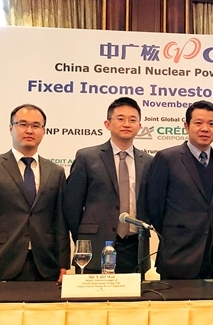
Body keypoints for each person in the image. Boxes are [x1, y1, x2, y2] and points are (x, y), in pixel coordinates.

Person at [0, 104, 70, 282]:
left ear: (43, 131)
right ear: (11, 128)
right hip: (0, 262)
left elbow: (60, 221)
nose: (29, 130)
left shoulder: (56, 171)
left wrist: (63, 263)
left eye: (36, 125)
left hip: (46, 265)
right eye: (22, 124)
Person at [63, 97, 153, 273]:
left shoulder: (149, 162)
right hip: (95, 247)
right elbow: (71, 206)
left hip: (135, 249)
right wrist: (84, 237)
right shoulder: (87, 157)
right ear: (107, 124)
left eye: (132, 120)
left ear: (139, 126)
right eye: (120, 118)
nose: (126, 124)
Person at [145, 100, 213, 279]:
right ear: (186, 126)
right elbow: (154, 206)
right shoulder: (167, 158)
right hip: (178, 254)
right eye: (198, 123)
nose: (205, 128)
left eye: (211, 124)